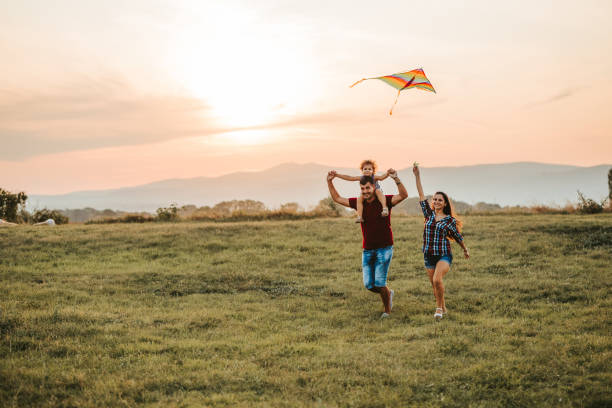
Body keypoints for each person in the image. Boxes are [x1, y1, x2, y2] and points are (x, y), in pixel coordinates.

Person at [327, 168, 408, 319]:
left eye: (368, 188)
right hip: (368, 250)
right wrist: (329, 182)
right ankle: (388, 293)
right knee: (369, 285)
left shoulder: (385, 201)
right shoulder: (359, 205)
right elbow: (337, 198)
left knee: (379, 281)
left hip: (385, 248)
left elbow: (403, 195)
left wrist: (396, 179)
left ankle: (387, 311)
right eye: (363, 188)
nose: (365, 191)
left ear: (374, 187)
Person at [412, 164, 470, 320]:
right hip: (428, 255)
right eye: (435, 199)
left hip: (444, 254)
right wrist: (417, 176)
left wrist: (465, 249)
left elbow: (457, 236)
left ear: (445, 203)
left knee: (437, 280)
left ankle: (438, 309)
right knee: (435, 285)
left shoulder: (450, 220)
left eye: (440, 200)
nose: (436, 201)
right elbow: (421, 193)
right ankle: (443, 307)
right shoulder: (428, 214)